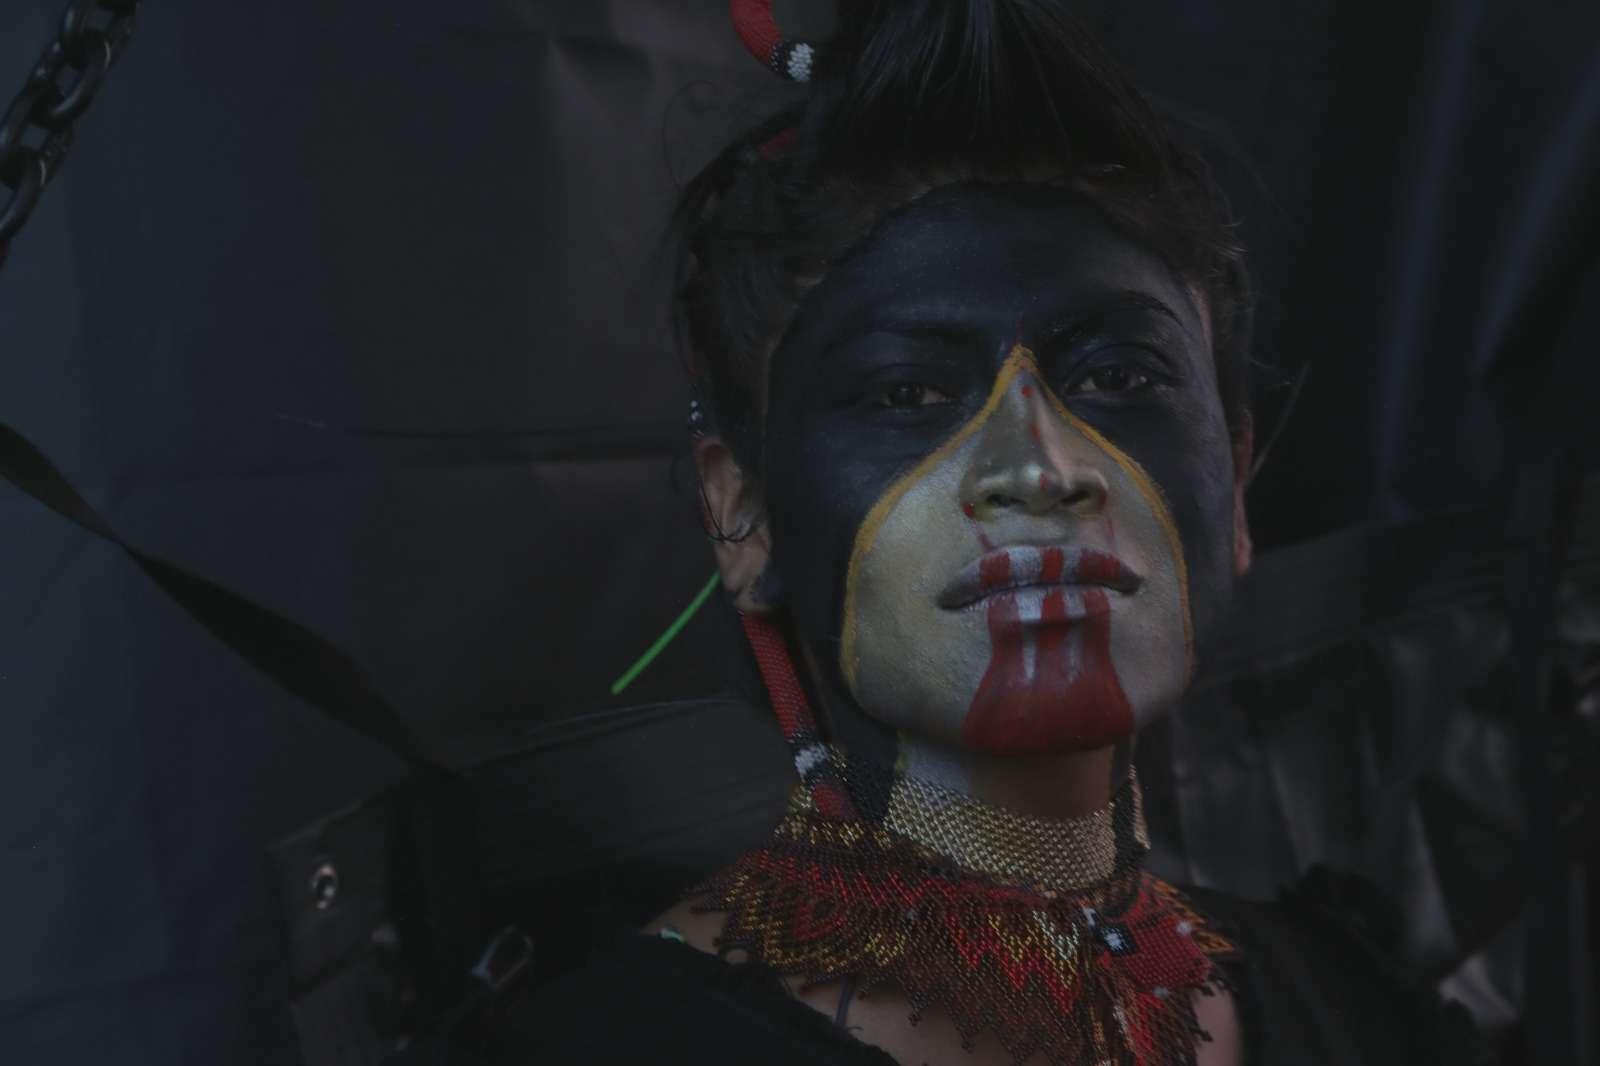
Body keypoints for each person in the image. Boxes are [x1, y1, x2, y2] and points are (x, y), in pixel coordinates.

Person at [443, 2, 1492, 1062]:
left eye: (1119, 376)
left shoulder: (1363, 1016)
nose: (1039, 468)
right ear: (742, 515)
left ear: (1234, 480)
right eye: (907, 393)